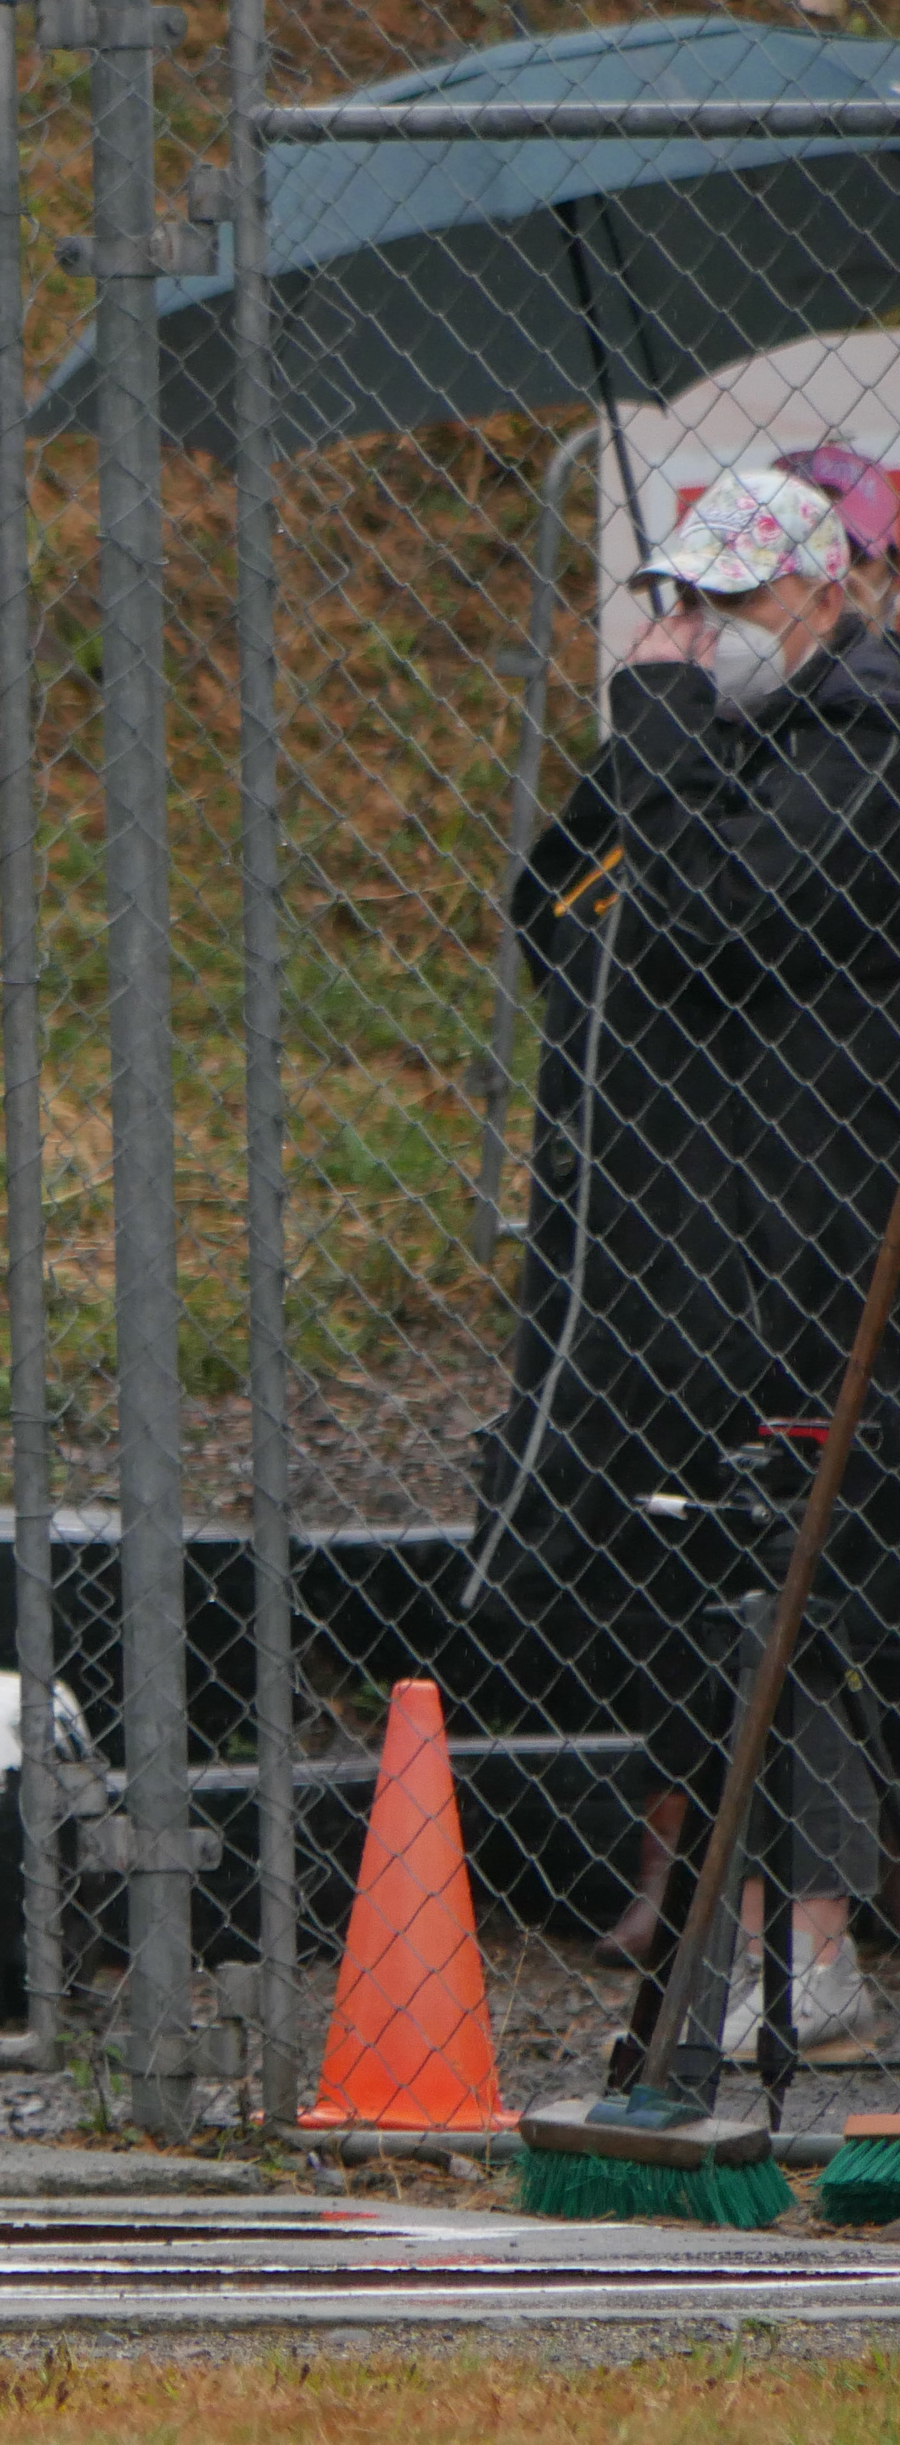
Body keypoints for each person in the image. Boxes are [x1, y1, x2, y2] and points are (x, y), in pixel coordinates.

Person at [471, 461, 900, 2063]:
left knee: (799, 1571)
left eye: (734, 599)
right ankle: (752, 1922)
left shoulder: (866, 739)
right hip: (697, 1236)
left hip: (816, 1239)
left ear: (823, 594)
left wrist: (658, 719)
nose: (702, 629)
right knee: (698, 1565)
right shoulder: (726, 739)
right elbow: (561, 903)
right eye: (682, 599)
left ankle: (810, 1939)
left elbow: (723, 912)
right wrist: (662, 728)